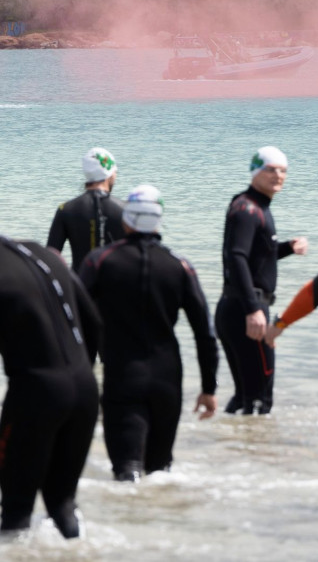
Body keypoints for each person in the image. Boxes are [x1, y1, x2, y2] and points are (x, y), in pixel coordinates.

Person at [0, 188, 101, 539]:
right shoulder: (46, 255)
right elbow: (94, 321)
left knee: (15, 511)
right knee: (62, 503)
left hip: (35, 397)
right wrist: (80, 372)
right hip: (85, 393)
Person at [78, 185, 218, 481]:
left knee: (127, 473)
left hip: (123, 378)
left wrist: (80, 375)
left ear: (126, 221)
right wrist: (209, 388)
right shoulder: (180, 266)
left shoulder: (99, 261)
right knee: (159, 472)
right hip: (168, 381)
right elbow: (205, 332)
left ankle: (126, 524)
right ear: (159, 223)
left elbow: (74, 320)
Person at [216, 146, 307, 415]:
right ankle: (257, 453)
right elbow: (237, 258)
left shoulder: (253, 207)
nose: (278, 175)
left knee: (246, 395)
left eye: (283, 171)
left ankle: (229, 449)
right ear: (255, 171)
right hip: (247, 309)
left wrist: (288, 248)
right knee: (259, 399)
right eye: (270, 169)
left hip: (237, 307)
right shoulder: (248, 209)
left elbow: (257, 259)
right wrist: (253, 309)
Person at [48, 147, 124, 271]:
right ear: (110, 173)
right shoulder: (125, 209)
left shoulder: (65, 210)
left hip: (78, 286)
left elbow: (50, 259)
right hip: (115, 287)